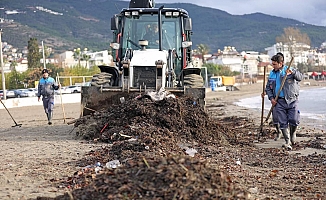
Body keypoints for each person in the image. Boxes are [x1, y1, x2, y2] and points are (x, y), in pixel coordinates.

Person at [265, 54, 303, 150]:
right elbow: (268, 88)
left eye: (274, 64)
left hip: (291, 100)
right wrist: (271, 98)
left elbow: (300, 77)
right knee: (282, 122)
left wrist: (293, 73)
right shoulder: (272, 74)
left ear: (280, 63)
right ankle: (287, 141)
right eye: (272, 64)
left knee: (294, 119)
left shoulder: (289, 70)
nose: (272, 66)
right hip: (279, 101)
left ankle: (293, 133)